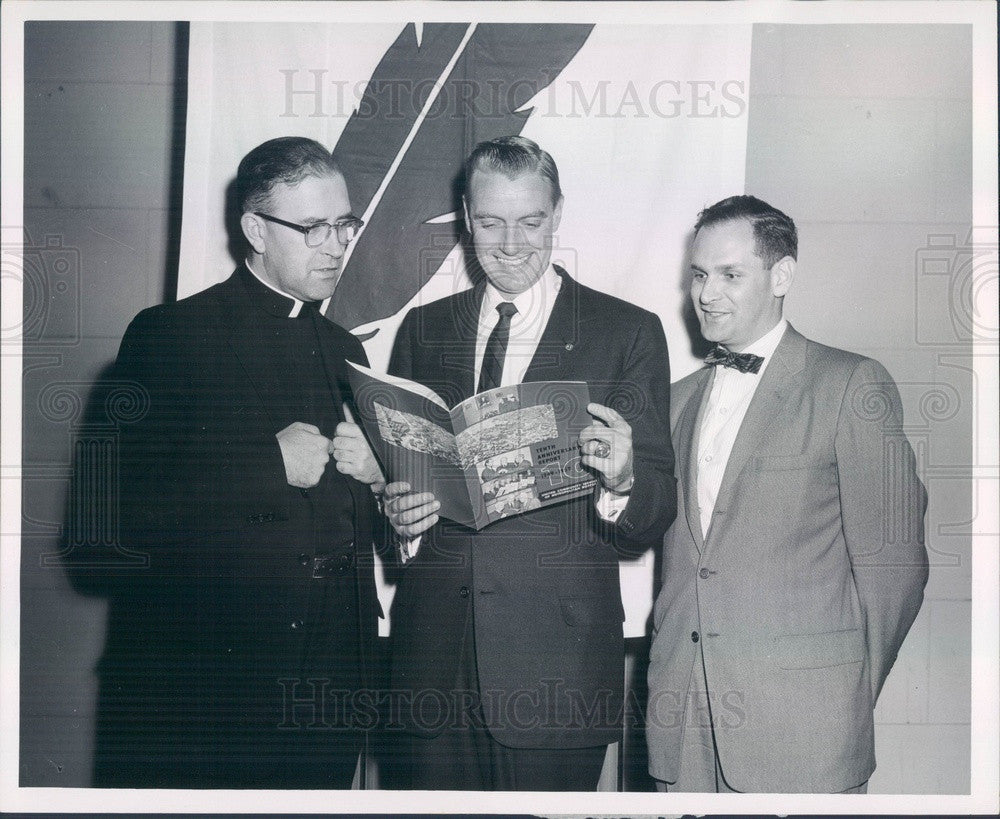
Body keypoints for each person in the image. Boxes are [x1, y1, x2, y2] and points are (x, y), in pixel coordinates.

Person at [369, 135, 677, 790]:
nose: (510, 244)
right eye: (490, 221)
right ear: (464, 214)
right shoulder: (422, 330)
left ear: (558, 212)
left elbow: (652, 512)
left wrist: (622, 481)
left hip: (555, 672)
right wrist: (400, 518)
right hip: (431, 668)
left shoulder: (626, 331)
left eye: (530, 221)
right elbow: (397, 489)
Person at [97, 137, 383, 787]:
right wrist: (264, 462)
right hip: (209, 692)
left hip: (332, 689)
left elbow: (356, 524)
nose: (337, 244)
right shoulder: (168, 335)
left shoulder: (348, 354)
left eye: (344, 224)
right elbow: (115, 522)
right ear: (255, 228)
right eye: (313, 227)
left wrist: (378, 476)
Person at [645, 195, 929, 793]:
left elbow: (895, 566)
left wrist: (838, 692)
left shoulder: (851, 384)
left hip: (805, 735)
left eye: (729, 274)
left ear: (782, 276)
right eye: (699, 275)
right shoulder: (674, 401)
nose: (706, 294)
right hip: (684, 731)